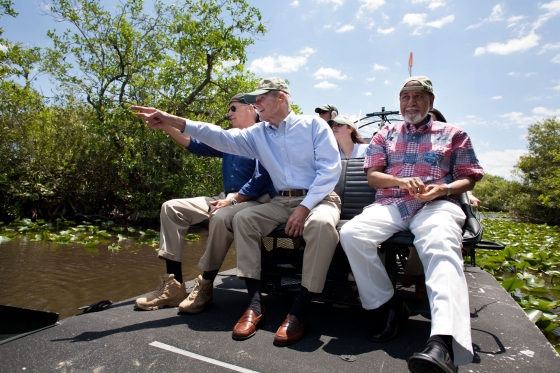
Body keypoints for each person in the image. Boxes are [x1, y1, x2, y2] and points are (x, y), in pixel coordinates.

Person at [131, 77, 341, 346]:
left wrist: (303, 208)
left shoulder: (313, 125)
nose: (256, 104)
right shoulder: (258, 134)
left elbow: (329, 170)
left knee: (322, 226)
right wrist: (171, 121)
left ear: (281, 97)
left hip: (319, 198)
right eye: (253, 100)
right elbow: (216, 136)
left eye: (261, 98)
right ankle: (255, 305)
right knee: (244, 219)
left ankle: (299, 310)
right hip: (280, 201)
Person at [339, 76, 483, 373]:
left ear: (431, 102)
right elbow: (373, 177)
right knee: (352, 233)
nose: (411, 103)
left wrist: (442, 189)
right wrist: (400, 181)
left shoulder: (454, 133)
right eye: (405, 97)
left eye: (418, 97)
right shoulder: (385, 133)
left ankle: (444, 342)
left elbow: (469, 176)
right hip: (393, 202)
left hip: (437, 204)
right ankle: (389, 306)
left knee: (440, 241)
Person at [134, 93, 276, 314]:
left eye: (233, 108)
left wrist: (234, 199)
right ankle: (174, 286)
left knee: (220, 217)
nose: (228, 113)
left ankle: (205, 283)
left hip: (255, 200)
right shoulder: (230, 137)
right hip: (226, 197)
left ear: (251, 109)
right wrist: (165, 126)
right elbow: (196, 145)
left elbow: (263, 178)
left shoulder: (265, 136)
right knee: (171, 208)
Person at [402, 108, 481, 299]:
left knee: (433, 230)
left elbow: (462, 176)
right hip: (411, 200)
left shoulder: (450, 141)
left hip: (444, 197)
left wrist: (467, 195)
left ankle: (422, 277)